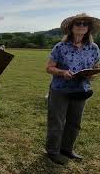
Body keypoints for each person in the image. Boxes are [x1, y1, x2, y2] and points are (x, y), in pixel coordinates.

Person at [45, 13, 100, 165]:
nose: (81, 26)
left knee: (75, 123)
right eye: (78, 23)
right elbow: (49, 68)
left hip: (81, 90)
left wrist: (91, 74)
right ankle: (52, 151)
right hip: (60, 90)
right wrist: (62, 72)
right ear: (71, 27)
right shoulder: (60, 47)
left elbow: (95, 67)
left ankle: (67, 149)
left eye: (85, 24)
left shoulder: (93, 48)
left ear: (88, 29)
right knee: (56, 122)